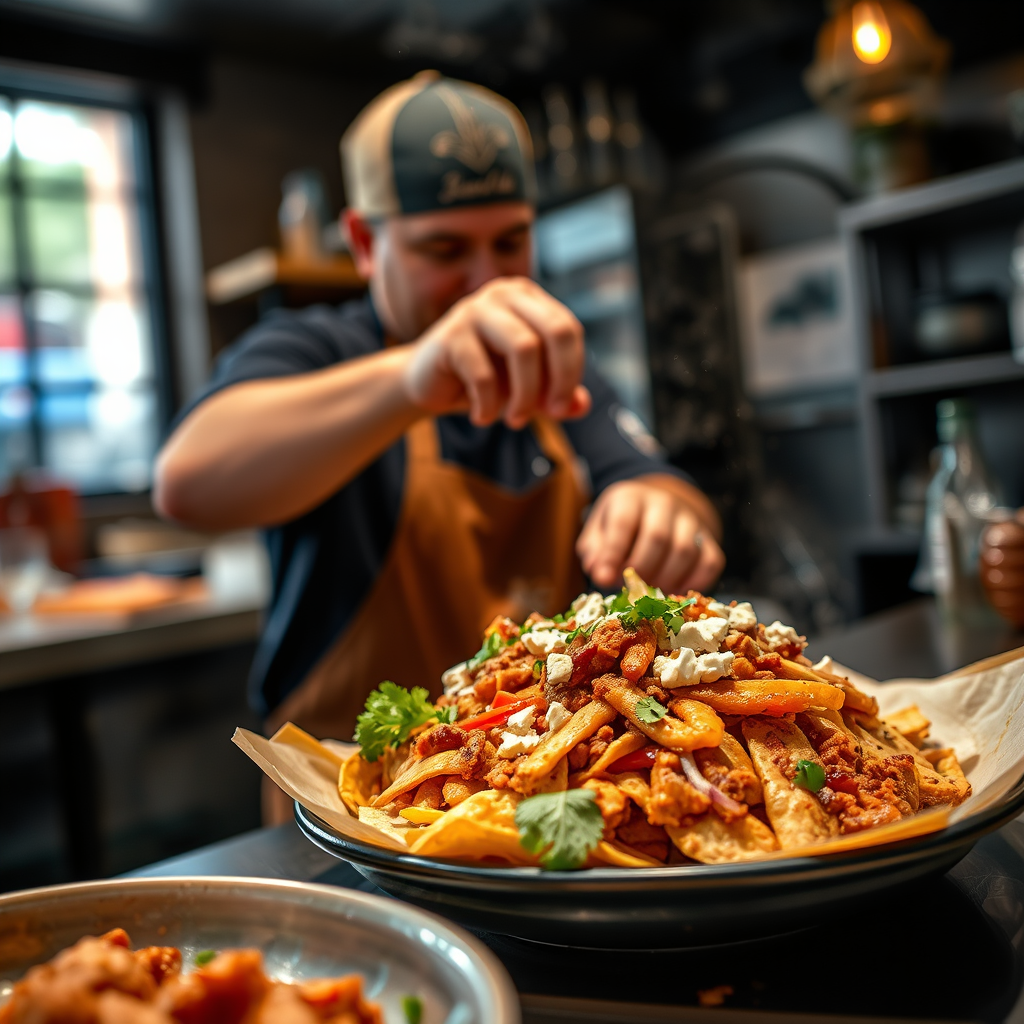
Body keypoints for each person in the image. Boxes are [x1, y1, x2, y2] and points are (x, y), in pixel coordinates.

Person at [155, 72, 725, 818]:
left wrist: (661, 507)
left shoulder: (549, 366)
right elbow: (188, 482)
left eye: (511, 241)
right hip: (344, 807)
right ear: (363, 243)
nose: (487, 283)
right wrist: (416, 376)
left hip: (533, 791)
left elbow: (660, 482)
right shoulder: (312, 349)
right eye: (446, 248)